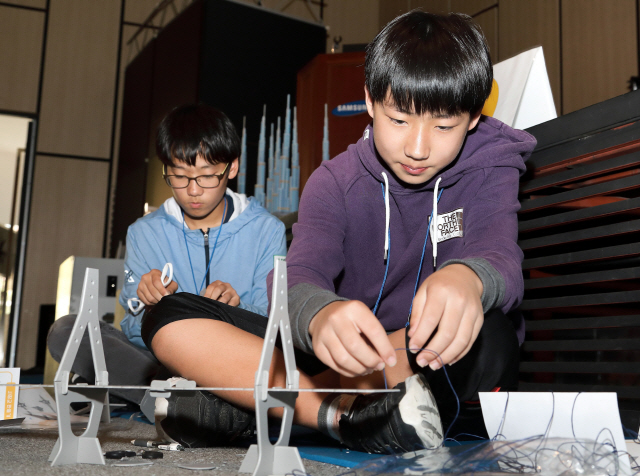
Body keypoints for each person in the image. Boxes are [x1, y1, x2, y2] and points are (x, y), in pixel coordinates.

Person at [142, 11, 536, 453]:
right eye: (399, 120)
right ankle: (342, 418)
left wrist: (469, 277)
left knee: (492, 338)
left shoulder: (492, 162)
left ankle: (257, 410)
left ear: (473, 117)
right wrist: (320, 314)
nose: (418, 148)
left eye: (444, 126)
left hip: (419, 355)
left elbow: (500, 254)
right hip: (337, 351)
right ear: (370, 100)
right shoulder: (334, 181)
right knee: (169, 316)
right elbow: (298, 278)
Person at [47, 103, 286, 406]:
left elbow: (275, 323)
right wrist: (150, 307)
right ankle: (176, 401)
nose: (194, 190)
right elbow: (132, 331)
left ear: (232, 168)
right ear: (166, 171)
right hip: (163, 361)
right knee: (68, 331)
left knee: (277, 361)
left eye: (207, 175)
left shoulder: (266, 230)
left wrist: (236, 307)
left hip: (237, 362)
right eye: (180, 176)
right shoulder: (144, 232)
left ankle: (156, 399)